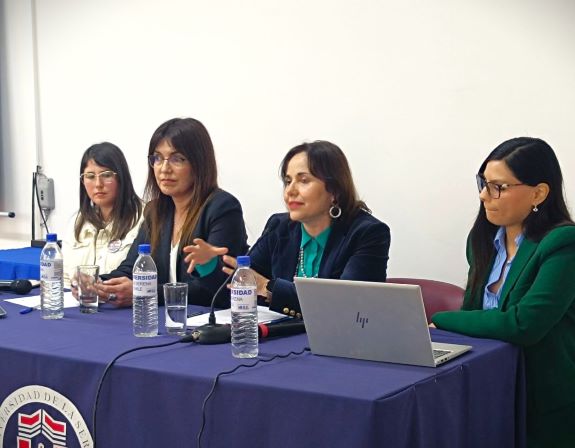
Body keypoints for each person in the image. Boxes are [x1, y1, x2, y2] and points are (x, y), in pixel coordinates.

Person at [431, 137, 575, 448]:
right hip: (486, 394)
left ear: (538, 193)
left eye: (498, 187)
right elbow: (474, 316)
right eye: (483, 183)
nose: (484, 195)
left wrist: (440, 319)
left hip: (545, 411)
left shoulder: (567, 243)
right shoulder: (482, 240)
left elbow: (524, 325)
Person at [183, 140, 391, 318]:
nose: (290, 191)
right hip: (283, 343)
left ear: (334, 190)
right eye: (287, 181)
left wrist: (268, 287)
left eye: (303, 181)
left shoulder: (368, 234)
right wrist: (210, 267)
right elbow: (238, 293)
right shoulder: (279, 227)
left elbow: (347, 305)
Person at [97, 118, 248, 308]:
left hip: (206, 321)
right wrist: (98, 284)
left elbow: (215, 289)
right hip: (164, 319)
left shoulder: (223, 208)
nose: (164, 169)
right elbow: (131, 269)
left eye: (177, 159)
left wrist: (146, 292)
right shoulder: (155, 211)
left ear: (199, 163)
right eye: (157, 158)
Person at [62, 142, 143, 286]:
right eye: (90, 176)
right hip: (78, 304)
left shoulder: (144, 217)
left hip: (123, 304)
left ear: (121, 177)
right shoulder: (77, 221)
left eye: (106, 175)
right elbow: (65, 278)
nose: (98, 184)